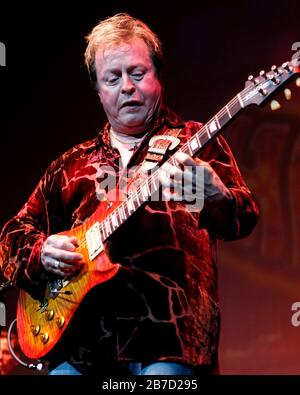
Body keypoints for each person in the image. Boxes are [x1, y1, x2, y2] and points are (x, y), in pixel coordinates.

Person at [0, 13, 259, 375]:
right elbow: (12, 234)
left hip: (170, 340)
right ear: (99, 90)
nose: (127, 87)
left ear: (158, 76)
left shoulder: (194, 141)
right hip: (80, 348)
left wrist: (217, 197)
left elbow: (244, 218)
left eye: (138, 73)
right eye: (113, 78)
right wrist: (41, 252)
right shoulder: (71, 166)